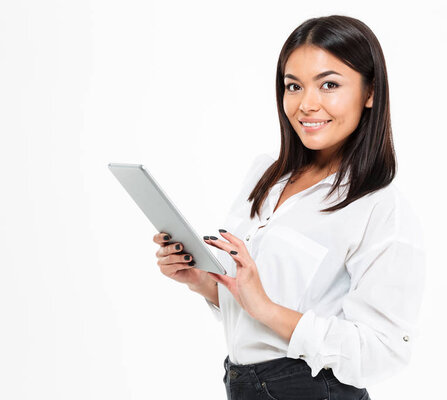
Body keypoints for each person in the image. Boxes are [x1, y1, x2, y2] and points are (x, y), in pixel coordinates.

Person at [153, 15, 426, 400]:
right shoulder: (266, 176)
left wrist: (265, 308)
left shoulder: (379, 207)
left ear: (370, 93)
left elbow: (384, 350)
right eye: (293, 86)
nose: (306, 104)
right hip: (244, 385)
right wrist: (206, 284)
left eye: (329, 85)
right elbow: (259, 303)